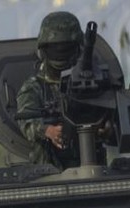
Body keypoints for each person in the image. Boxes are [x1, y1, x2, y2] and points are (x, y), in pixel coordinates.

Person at [15, 11, 85, 170]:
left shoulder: (90, 83)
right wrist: (48, 131)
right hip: (50, 171)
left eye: (66, 48)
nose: (61, 52)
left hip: (91, 167)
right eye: (55, 48)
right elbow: (26, 122)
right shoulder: (34, 87)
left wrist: (104, 127)